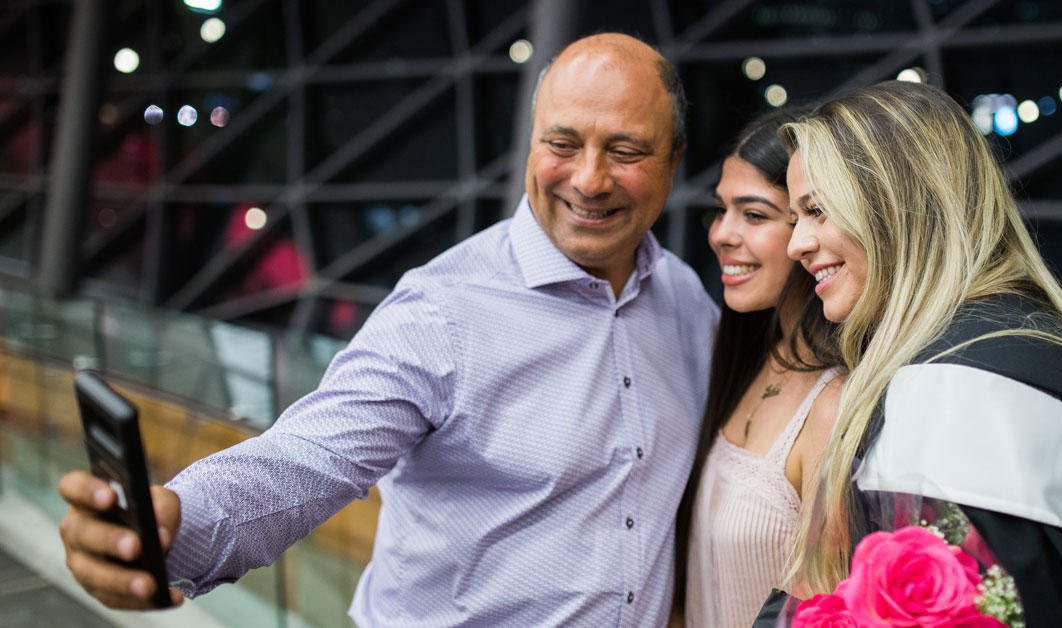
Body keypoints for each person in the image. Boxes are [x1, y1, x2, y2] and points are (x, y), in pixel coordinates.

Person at [57, 33, 719, 626]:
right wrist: (176, 529)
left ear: (674, 161)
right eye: (563, 143)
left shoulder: (687, 303)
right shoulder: (442, 311)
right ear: (532, 142)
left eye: (626, 150)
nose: (589, 178)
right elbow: (305, 460)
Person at [765, 80, 1062, 626]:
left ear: (900, 204)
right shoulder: (1022, 349)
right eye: (794, 218)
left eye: (817, 210)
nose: (796, 244)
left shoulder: (964, 393)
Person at [670, 106, 843, 628]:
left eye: (754, 215)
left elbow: (833, 608)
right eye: (720, 211)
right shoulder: (741, 360)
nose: (721, 234)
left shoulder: (833, 403)